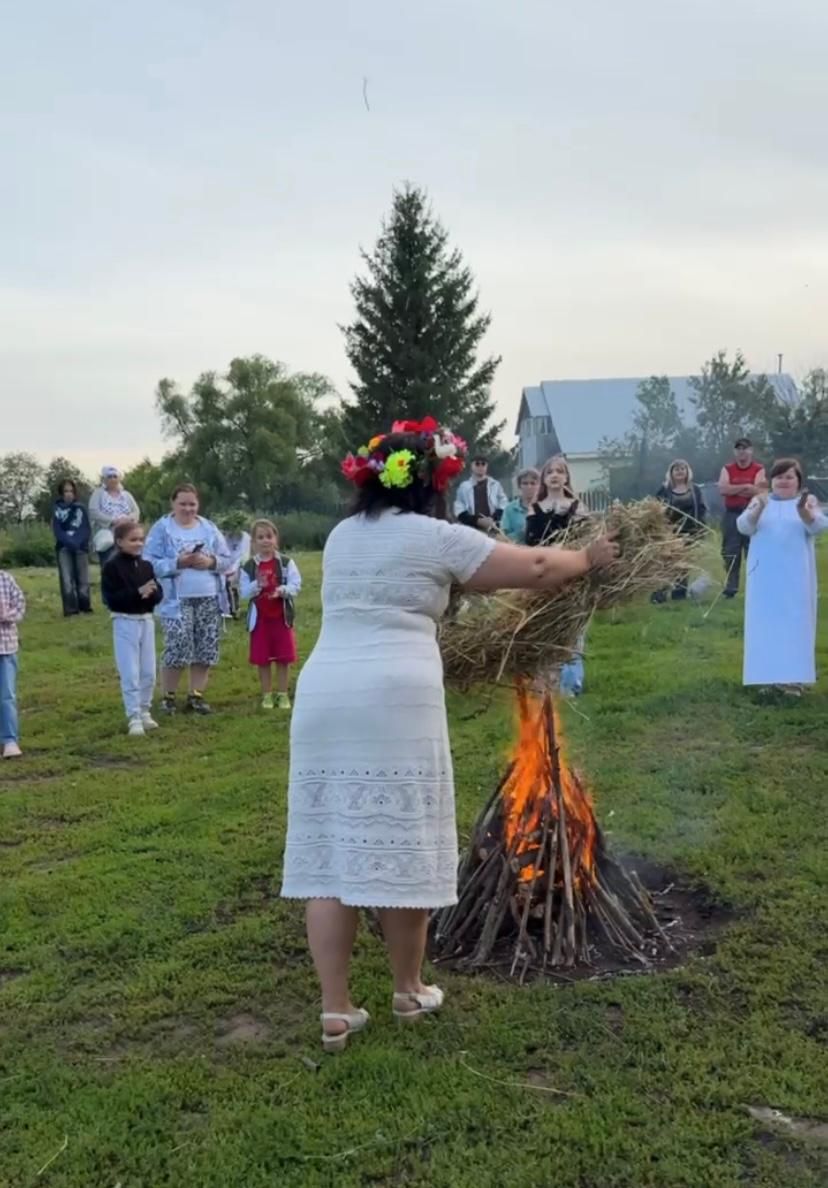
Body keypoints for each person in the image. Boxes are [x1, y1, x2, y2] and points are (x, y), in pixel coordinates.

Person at [284, 418, 618, 1051]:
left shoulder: (339, 537)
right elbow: (539, 566)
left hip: (326, 692)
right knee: (402, 843)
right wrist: (589, 558)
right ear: (432, 486)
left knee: (330, 852)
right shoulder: (436, 536)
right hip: (395, 697)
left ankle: (336, 1008)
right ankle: (408, 990)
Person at [737, 458, 828, 695]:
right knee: (766, 624)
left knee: (795, 625)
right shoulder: (759, 501)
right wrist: (757, 509)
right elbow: (744, 527)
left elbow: (818, 526)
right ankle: (770, 678)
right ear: (771, 480)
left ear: (798, 480)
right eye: (779, 477)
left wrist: (804, 514)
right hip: (765, 576)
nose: (784, 481)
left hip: (795, 576)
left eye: (789, 477)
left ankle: (793, 681)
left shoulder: (807, 502)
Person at [144, 484, 231, 716]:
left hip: (208, 596)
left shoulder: (209, 528)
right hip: (175, 599)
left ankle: (196, 696)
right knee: (178, 644)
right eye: (182, 503)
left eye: (192, 504)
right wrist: (177, 563)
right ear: (173, 503)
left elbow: (227, 559)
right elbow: (147, 562)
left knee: (206, 646)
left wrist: (211, 562)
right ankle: (168, 697)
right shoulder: (162, 529)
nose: (188, 508)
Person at [524, 455, 587, 694]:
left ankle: (572, 683)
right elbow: (530, 543)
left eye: (560, 471)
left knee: (573, 627)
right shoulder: (535, 508)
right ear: (544, 478)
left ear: (566, 477)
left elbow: (585, 540)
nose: (554, 475)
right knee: (548, 625)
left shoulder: (577, 507)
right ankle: (547, 679)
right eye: (550, 471)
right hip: (545, 573)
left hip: (572, 572)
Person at [101, 521, 164, 736]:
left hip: (146, 620)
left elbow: (158, 592)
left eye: (141, 539)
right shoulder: (112, 567)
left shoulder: (145, 566)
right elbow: (112, 599)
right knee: (130, 671)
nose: (138, 544)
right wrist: (138, 593)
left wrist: (152, 594)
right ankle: (133, 716)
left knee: (149, 671)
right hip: (125, 621)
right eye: (133, 539)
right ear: (120, 542)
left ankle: (145, 710)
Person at [239, 519, 301, 710]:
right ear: (254, 542)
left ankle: (282, 694)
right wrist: (256, 585)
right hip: (260, 620)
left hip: (281, 617)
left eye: (269, 536)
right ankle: (267, 694)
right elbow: (243, 592)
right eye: (260, 537)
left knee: (284, 657)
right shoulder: (249, 566)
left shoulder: (285, 563)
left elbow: (296, 584)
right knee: (263, 659)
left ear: (276, 539)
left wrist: (283, 590)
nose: (265, 541)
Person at [653, 460, 707, 602]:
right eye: (676, 469)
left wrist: (700, 527)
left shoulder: (695, 489)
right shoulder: (664, 490)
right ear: (671, 473)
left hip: (689, 532)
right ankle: (660, 594)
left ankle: (679, 593)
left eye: (682, 468)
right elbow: (655, 508)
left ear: (687, 471)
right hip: (669, 532)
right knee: (667, 564)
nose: (679, 471)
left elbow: (701, 509)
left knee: (683, 564)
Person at [718, 438, 765, 598]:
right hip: (732, 514)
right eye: (738, 449)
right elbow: (723, 488)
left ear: (751, 450)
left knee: (753, 550)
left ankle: (757, 586)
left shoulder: (758, 468)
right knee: (730, 551)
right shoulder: (727, 468)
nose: (741, 451)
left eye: (745, 448)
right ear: (734, 451)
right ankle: (731, 587)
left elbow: (758, 490)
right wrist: (745, 487)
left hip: (752, 514)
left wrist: (735, 489)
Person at [51, 479, 93, 615]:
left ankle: (85, 607)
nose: (68, 494)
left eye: (71, 491)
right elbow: (57, 530)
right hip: (63, 548)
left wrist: (76, 542)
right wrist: (69, 542)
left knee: (83, 579)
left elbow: (85, 529)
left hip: (81, 547)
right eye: (65, 491)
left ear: (75, 493)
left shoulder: (80, 508)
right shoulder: (57, 511)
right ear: (61, 494)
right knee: (66, 579)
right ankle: (70, 609)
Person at [88, 466, 140, 570]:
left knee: (127, 566)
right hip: (107, 536)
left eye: (115, 476)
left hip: (125, 535)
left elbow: (136, 511)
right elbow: (93, 511)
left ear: (119, 478)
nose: (112, 479)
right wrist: (112, 520)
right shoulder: (98, 493)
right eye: (109, 476)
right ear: (104, 479)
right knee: (109, 566)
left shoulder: (126, 495)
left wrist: (127, 519)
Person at [0, 568, 26, 760]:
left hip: (5, 647)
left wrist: (7, 615)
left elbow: (20, 606)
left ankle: (10, 740)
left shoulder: (5, 579)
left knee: (6, 696)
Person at [453, 456, 508, 533]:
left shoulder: (495, 484)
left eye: (483, 464)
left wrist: (494, 518)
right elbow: (459, 508)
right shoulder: (464, 486)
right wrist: (477, 521)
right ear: (471, 466)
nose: (480, 466)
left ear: (487, 466)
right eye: (477, 464)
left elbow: (504, 502)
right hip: (471, 529)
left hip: (493, 528)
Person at [221, 512, 251, 620]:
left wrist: (233, 569)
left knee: (231, 583)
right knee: (223, 582)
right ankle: (226, 609)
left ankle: (235, 609)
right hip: (229, 566)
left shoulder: (245, 537)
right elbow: (225, 553)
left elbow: (243, 556)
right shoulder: (226, 537)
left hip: (242, 565)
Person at [501, 469, 541, 543]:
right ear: (519, 486)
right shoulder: (509, 509)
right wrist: (522, 532)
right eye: (525, 483)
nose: (529, 487)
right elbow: (503, 537)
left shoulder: (544, 507)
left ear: (539, 486)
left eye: (533, 483)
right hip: (517, 551)